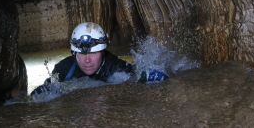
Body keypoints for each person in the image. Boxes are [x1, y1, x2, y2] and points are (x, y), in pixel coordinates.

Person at [30, 22, 168, 97]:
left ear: (102, 52)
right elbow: (49, 90)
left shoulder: (115, 66)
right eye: (82, 54)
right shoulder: (63, 69)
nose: (87, 60)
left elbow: (136, 76)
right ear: (74, 53)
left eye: (93, 53)